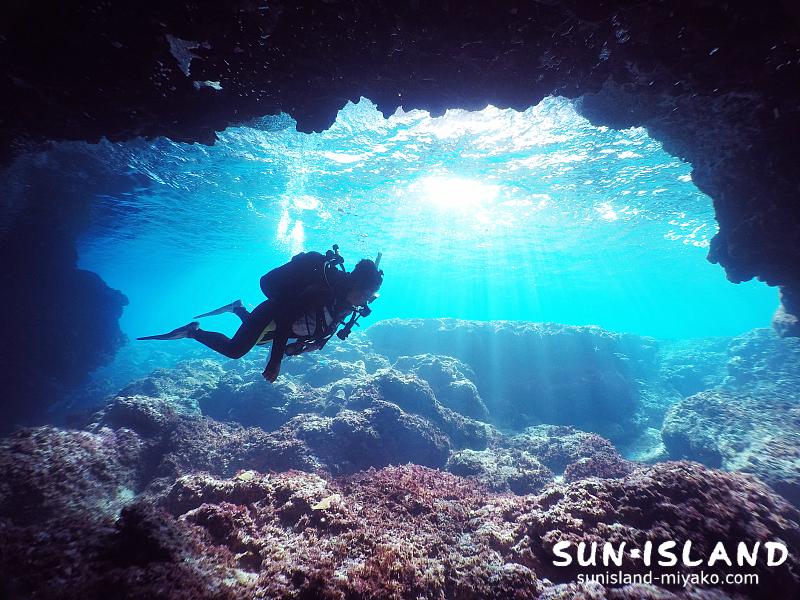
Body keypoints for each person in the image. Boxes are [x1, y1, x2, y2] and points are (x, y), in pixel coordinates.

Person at [138, 247, 383, 382]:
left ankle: (238, 308)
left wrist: (301, 348)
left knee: (255, 341)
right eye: (366, 295)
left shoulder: (343, 302)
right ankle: (193, 331)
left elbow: (319, 331)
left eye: (370, 297)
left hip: (281, 323)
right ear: (354, 286)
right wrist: (276, 360)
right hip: (274, 313)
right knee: (236, 350)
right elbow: (286, 319)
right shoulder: (323, 293)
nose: (365, 302)